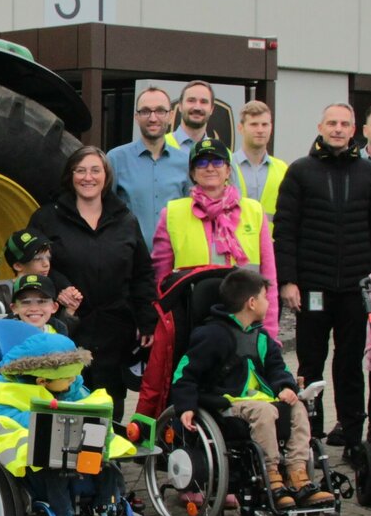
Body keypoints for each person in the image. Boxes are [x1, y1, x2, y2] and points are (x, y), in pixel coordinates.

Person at [0, 330, 136, 516]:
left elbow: (91, 408)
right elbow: (5, 419)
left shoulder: (73, 385)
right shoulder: (2, 391)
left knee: (108, 465)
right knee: (56, 466)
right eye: (67, 378)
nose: (73, 380)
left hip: (78, 457)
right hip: (36, 464)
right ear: (41, 381)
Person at [273, 104, 371, 446]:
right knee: (310, 363)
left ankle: (352, 434)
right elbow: (285, 230)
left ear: (354, 129)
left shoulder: (370, 174)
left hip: (356, 289)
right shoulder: (300, 171)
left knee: (350, 364)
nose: (338, 129)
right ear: (320, 126)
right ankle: (308, 435)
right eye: (332, 123)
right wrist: (289, 280)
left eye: (344, 123)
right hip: (312, 287)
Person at [169, 268, 333, 508]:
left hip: (260, 401)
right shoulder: (212, 335)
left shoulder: (261, 337)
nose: (269, 302)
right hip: (226, 403)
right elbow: (185, 373)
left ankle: (298, 475)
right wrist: (185, 406)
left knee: (297, 407)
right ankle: (271, 475)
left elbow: (277, 369)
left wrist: (285, 387)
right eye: (266, 297)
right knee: (264, 412)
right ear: (252, 303)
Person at [26, 146, 155, 408]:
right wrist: (60, 287)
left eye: (95, 170)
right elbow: (32, 264)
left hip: (115, 330)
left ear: (106, 177)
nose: (88, 177)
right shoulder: (47, 218)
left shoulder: (126, 220)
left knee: (109, 406)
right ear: (70, 176)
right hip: (68, 328)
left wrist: (147, 319)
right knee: (64, 403)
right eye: (80, 170)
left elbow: (142, 273)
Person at [153, 138, 278, 335]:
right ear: (193, 173)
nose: (210, 168)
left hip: (246, 320)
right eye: (201, 163)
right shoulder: (172, 213)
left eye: (217, 162)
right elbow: (161, 279)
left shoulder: (253, 211)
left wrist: (270, 331)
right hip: (193, 319)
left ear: (228, 170)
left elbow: (269, 277)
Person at [109, 86, 191, 240]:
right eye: (145, 111)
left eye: (160, 111)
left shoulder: (185, 162)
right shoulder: (116, 159)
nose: (153, 118)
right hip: (130, 258)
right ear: (136, 116)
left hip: (174, 260)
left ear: (171, 115)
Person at [230, 100, 288, 217]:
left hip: (272, 235)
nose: (260, 130)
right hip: (235, 234)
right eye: (254, 124)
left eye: (265, 125)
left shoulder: (283, 168)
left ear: (271, 127)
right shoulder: (227, 166)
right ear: (240, 128)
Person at [167, 81, 216, 149]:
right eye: (191, 100)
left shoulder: (223, 153)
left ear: (211, 109)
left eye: (203, 102)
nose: (197, 107)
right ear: (180, 106)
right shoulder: (159, 146)